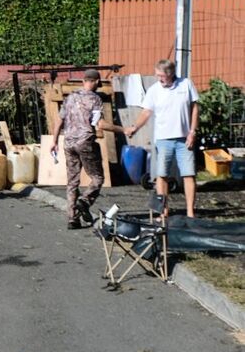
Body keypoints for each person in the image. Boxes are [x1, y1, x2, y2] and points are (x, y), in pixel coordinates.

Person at [49, 69, 124, 229]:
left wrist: (54, 141)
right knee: (97, 178)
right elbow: (100, 124)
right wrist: (124, 130)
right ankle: (84, 201)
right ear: (96, 81)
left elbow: (59, 120)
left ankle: (72, 219)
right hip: (85, 142)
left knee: (72, 181)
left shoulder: (70, 98)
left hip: (68, 142)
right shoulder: (95, 99)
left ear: (84, 81)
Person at [125, 59, 200, 218]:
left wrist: (192, 131)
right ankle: (163, 210)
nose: (158, 78)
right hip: (163, 139)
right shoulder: (154, 90)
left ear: (171, 74)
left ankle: (190, 213)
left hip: (184, 138)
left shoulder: (186, 84)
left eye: (161, 76)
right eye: (157, 74)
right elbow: (146, 112)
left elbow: (194, 108)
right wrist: (135, 127)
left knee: (189, 174)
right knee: (162, 175)